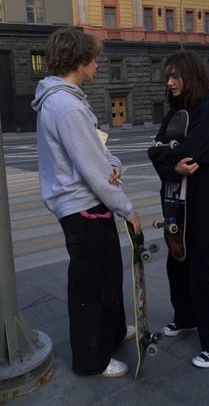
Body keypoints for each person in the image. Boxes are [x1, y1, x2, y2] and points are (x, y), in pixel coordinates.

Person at [32, 27, 141, 378]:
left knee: (108, 275)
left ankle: (112, 332)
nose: (98, 64)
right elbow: (94, 169)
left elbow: (97, 153)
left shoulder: (70, 99)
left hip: (88, 204)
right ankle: (90, 360)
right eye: (94, 58)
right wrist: (128, 208)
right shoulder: (66, 106)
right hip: (82, 207)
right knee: (90, 286)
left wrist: (114, 166)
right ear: (79, 61)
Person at [148, 50, 209, 368]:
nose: (169, 82)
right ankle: (186, 318)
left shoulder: (206, 108)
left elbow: (193, 153)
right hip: (177, 200)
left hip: (204, 204)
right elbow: (156, 150)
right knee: (177, 262)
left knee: (205, 271)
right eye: (167, 76)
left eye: (175, 76)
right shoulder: (176, 110)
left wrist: (165, 155)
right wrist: (172, 165)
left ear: (190, 76)